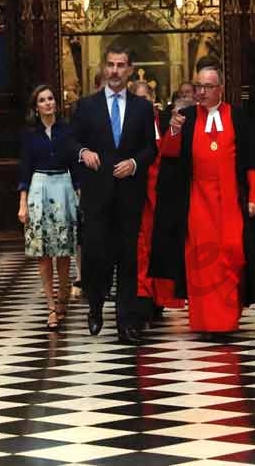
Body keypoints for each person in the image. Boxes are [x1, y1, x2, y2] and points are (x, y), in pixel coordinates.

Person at [156, 58, 255, 333]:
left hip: (231, 200)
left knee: (232, 254)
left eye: (208, 87)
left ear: (221, 89)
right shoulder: (186, 119)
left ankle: (227, 319)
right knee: (201, 259)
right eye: (199, 86)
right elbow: (169, 154)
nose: (202, 92)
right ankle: (204, 321)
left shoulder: (237, 117)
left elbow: (253, 162)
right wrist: (173, 130)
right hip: (198, 200)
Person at [69, 44, 158, 344]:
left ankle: (126, 322)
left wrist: (134, 163)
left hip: (129, 195)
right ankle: (95, 305)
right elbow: (72, 143)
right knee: (96, 254)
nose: (115, 71)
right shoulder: (86, 106)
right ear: (104, 68)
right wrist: (83, 153)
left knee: (128, 259)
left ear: (130, 69)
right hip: (97, 195)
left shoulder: (142, 108)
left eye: (121, 65)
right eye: (111, 65)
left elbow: (151, 148)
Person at [18, 85, 79, 330]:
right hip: (38, 187)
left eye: (51, 99)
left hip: (63, 186)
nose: (48, 103)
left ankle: (64, 296)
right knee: (43, 253)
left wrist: (78, 193)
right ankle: (51, 305)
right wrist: (22, 203)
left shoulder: (67, 131)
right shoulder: (29, 134)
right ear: (36, 107)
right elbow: (24, 168)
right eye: (42, 100)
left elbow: (75, 164)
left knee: (63, 251)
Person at [131, 81, 186, 315]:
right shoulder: (128, 125)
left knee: (161, 249)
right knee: (140, 251)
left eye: (147, 98)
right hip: (139, 196)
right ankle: (142, 300)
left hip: (163, 196)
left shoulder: (165, 121)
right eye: (139, 98)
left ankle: (159, 301)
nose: (144, 103)